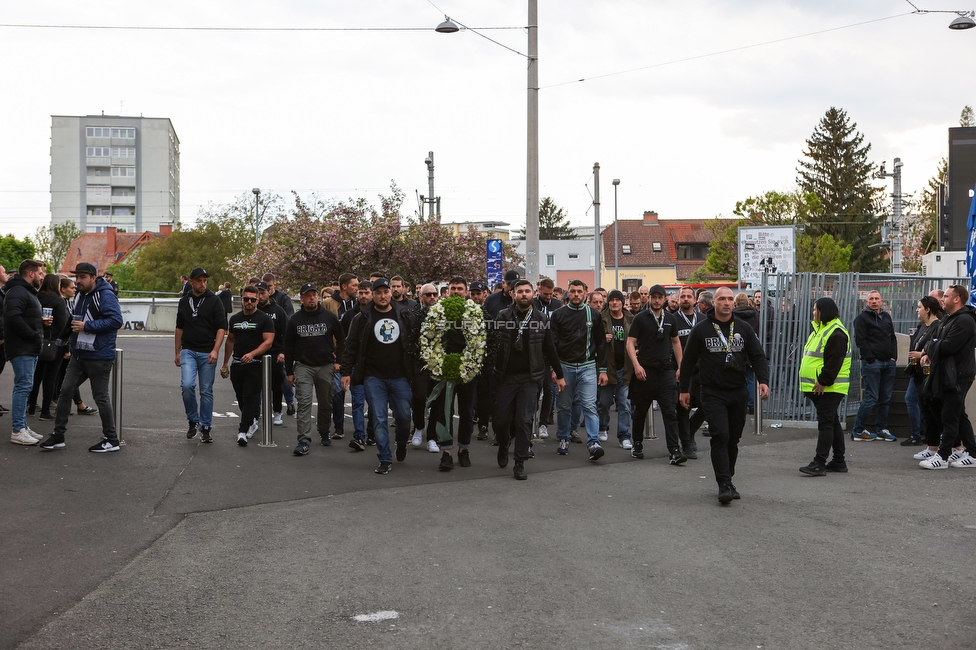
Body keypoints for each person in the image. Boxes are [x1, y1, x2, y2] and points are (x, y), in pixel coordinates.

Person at [680, 287, 769, 504]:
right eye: (722, 299)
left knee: (733, 439)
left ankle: (728, 477)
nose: (727, 303)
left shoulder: (744, 328)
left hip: (738, 391)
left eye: (730, 299)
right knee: (720, 435)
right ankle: (723, 484)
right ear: (714, 303)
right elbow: (688, 361)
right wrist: (684, 389)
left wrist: (763, 380)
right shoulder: (701, 329)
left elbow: (757, 355)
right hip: (712, 391)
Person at [39, 262, 124, 452]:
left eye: (83, 277)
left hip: (100, 356)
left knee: (100, 396)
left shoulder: (105, 295)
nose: (78, 281)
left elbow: (116, 320)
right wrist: (62, 339)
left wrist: (87, 326)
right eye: (76, 277)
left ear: (94, 278)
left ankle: (111, 439)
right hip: (79, 354)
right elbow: (73, 319)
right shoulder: (80, 295)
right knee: (65, 390)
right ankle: (58, 435)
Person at [340, 278, 419, 475]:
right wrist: (345, 372)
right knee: (379, 418)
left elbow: (415, 342)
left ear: (391, 293)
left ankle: (401, 443)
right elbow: (350, 347)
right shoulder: (362, 318)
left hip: (401, 376)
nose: (383, 296)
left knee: (403, 416)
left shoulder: (404, 314)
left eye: (386, 291)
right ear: (372, 295)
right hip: (373, 377)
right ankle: (384, 458)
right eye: (378, 292)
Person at [491, 279, 565, 480]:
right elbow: (494, 344)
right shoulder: (503, 316)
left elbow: (549, 348)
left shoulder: (541, 318)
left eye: (527, 291)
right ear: (514, 294)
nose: (523, 294)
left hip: (530, 378)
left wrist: (559, 375)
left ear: (533, 293)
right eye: (520, 291)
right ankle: (504, 443)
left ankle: (520, 462)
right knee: (501, 420)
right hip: (506, 377)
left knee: (524, 420)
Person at [919, 285, 976, 469]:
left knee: (950, 414)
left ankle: (943, 456)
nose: (942, 300)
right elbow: (934, 342)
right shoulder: (949, 319)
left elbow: (947, 346)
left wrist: (932, 346)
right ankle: (972, 452)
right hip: (947, 373)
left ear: (957, 299)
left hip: (959, 375)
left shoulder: (965, 321)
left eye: (946, 296)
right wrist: (931, 348)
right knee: (957, 413)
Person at [550, 279, 607, 461]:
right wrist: (555, 369)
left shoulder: (593, 315)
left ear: (585, 293)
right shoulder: (558, 315)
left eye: (579, 291)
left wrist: (603, 369)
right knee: (564, 406)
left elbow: (601, 343)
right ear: (568, 292)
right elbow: (552, 344)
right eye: (572, 291)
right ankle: (564, 438)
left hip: (587, 367)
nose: (576, 294)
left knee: (589, 405)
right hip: (565, 367)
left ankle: (593, 443)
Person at [285, 283, 344, 455]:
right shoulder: (295, 320)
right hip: (303, 366)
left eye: (314, 294)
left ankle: (324, 431)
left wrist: (339, 361)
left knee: (326, 402)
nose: (311, 298)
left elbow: (342, 340)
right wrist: (289, 371)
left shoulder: (328, 316)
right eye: (307, 295)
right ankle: (303, 439)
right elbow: (288, 347)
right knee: (304, 402)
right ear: (301, 298)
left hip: (326, 365)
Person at [627, 284, 684, 464]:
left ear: (665, 298)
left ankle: (674, 450)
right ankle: (637, 443)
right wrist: (636, 366)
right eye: (654, 297)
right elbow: (630, 343)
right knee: (640, 411)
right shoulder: (641, 318)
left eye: (660, 297)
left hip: (665, 370)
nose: (657, 300)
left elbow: (675, 342)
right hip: (645, 370)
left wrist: (680, 366)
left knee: (670, 411)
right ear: (649, 298)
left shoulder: (670, 319)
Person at [427, 277, 479, 471]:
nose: (456, 291)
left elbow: (480, 341)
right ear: (447, 291)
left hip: (468, 370)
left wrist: (470, 364)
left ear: (466, 291)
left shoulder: (474, 312)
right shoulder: (437, 312)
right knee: (445, 411)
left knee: (467, 412)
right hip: (445, 369)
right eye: (453, 288)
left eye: (460, 288)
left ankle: (463, 449)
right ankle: (446, 452)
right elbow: (431, 339)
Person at [798, 297, 852, 476]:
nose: (813, 313)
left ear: (823, 311)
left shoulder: (836, 333)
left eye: (815, 310)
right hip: (825, 387)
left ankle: (819, 463)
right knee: (833, 423)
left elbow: (833, 362)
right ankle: (838, 461)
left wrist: (823, 381)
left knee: (826, 425)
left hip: (828, 388)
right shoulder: (823, 329)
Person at [174, 267, 227, 442]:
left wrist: (215, 350)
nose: (203, 284)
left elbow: (221, 328)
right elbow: (179, 328)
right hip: (188, 350)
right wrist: (177, 352)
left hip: (207, 352)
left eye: (205, 280)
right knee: (187, 385)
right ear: (191, 282)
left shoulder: (214, 301)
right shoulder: (184, 301)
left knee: (206, 390)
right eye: (199, 280)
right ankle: (192, 420)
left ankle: (205, 426)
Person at [220, 285, 274, 446]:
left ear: (258, 300)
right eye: (246, 299)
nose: (249, 302)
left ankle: (242, 431)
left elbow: (269, 341)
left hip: (255, 364)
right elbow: (230, 340)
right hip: (237, 364)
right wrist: (225, 363)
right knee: (240, 397)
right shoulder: (235, 319)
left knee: (249, 396)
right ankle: (251, 420)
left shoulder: (264, 319)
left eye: (252, 299)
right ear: (241, 299)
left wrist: (252, 354)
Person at [5, 259, 47, 445]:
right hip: (23, 347)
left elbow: (22, 316)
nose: (42, 276)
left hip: (29, 346)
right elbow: (13, 317)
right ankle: (17, 430)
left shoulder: (26, 291)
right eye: (40, 273)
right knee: (23, 387)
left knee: (25, 386)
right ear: (31, 274)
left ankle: (22, 426)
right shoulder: (17, 291)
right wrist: (32, 334)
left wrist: (39, 326)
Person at [850, 290, 898, 442]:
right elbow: (861, 341)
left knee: (885, 398)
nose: (874, 301)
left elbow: (892, 337)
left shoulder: (886, 317)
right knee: (871, 397)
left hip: (888, 363)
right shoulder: (861, 319)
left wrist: (893, 356)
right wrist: (870, 359)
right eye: (871, 299)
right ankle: (857, 430)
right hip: (873, 363)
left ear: (881, 301)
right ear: (866, 302)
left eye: (877, 298)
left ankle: (881, 429)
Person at [28, 273, 70, 421]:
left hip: (38, 340)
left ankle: (31, 406)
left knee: (36, 375)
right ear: (56, 285)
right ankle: (45, 410)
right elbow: (63, 325)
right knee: (51, 377)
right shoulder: (59, 301)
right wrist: (66, 348)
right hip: (54, 343)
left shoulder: (37, 297)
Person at [322, 272, 359, 439]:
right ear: (344, 286)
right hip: (337, 353)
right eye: (354, 285)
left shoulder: (357, 304)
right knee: (338, 391)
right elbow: (323, 329)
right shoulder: (328, 304)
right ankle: (338, 427)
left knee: (358, 393)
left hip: (355, 353)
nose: (357, 289)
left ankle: (362, 431)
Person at [903, 296, 943, 448]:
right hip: (918, 373)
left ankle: (945, 444)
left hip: (930, 375)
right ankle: (931, 445)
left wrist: (922, 354)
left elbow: (938, 347)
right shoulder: (922, 326)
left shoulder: (937, 326)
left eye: (919, 307)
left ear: (928, 309)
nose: (917, 310)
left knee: (933, 410)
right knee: (924, 407)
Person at [340, 280, 375, 450]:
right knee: (358, 402)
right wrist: (345, 369)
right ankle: (359, 436)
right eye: (360, 292)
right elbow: (347, 345)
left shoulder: (379, 314)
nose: (363, 296)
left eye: (366, 292)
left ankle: (372, 433)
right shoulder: (350, 316)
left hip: (374, 366)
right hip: (356, 366)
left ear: (372, 294)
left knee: (375, 403)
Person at [599, 289, 634, 449]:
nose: (614, 302)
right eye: (612, 300)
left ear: (622, 302)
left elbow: (636, 339)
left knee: (625, 404)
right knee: (604, 403)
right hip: (607, 367)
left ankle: (624, 436)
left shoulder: (630, 319)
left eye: (617, 300)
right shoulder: (602, 319)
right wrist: (602, 338)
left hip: (625, 368)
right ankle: (602, 427)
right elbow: (592, 340)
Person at [410, 283, 440, 452]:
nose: (432, 297)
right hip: (419, 363)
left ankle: (432, 437)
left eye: (434, 294)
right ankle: (419, 427)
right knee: (420, 397)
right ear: (421, 296)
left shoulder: (443, 314)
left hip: (437, 363)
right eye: (428, 294)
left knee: (436, 400)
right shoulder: (414, 315)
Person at [674, 286, 704, 458]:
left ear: (694, 300)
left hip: (702, 370)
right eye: (682, 296)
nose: (685, 299)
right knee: (683, 407)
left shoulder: (703, 319)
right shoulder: (673, 319)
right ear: (679, 300)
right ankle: (686, 444)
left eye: (688, 296)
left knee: (706, 404)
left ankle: (691, 430)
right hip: (682, 370)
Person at [255, 280, 288, 426]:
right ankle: (256, 411)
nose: (260, 296)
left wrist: (283, 352)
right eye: (258, 294)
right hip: (256, 353)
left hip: (275, 352)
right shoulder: (254, 310)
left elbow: (286, 333)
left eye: (263, 293)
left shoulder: (278, 311)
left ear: (269, 292)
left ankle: (278, 411)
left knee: (276, 384)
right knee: (256, 384)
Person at [733, 292, 762, 415]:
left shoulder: (732, 314)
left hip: (736, 350)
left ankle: (739, 404)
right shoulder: (755, 314)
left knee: (736, 379)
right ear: (748, 302)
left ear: (736, 303)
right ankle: (751, 405)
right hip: (750, 350)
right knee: (751, 379)